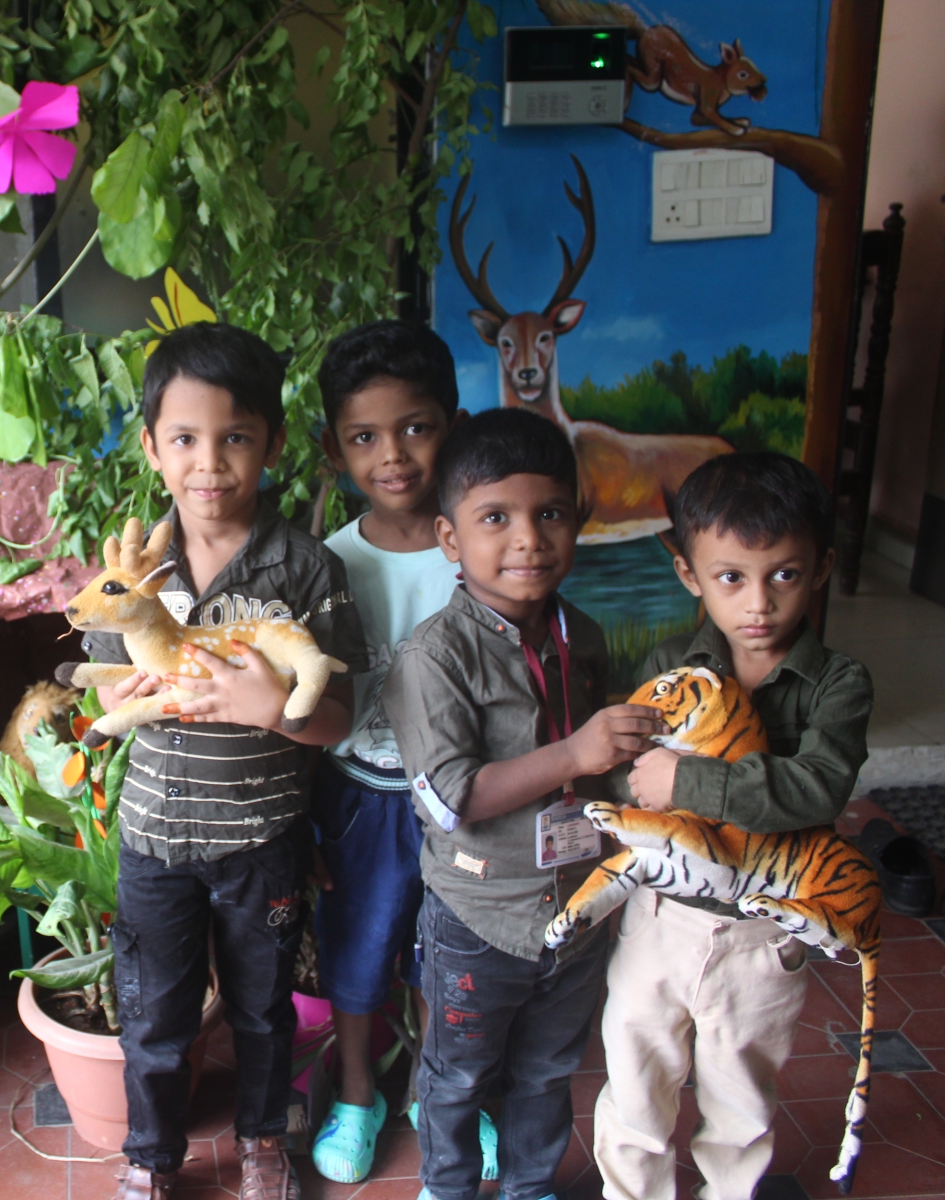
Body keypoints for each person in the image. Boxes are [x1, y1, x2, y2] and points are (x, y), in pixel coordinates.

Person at [80, 322, 368, 1200]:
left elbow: (343, 717)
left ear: (272, 445)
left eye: (235, 438)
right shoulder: (134, 573)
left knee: (263, 1006)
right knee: (153, 1011)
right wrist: (121, 691)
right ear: (152, 448)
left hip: (262, 842)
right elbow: (103, 690)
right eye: (185, 439)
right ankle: (151, 1155)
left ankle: (263, 1140)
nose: (209, 463)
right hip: (153, 841)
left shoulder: (307, 569)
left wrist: (273, 708)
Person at [383, 408, 664, 1200]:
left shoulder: (585, 636)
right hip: (481, 916)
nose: (529, 540)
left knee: (549, 1068)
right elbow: (453, 800)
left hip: (578, 906)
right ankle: (447, 1187)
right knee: (458, 1074)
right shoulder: (433, 658)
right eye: (496, 518)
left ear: (580, 520)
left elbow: (608, 768)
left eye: (551, 514)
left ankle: (530, 1186)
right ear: (449, 538)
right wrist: (575, 755)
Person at [592, 452, 873, 1200]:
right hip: (660, 918)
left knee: (741, 1105)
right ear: (689, 574)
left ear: (821, 568)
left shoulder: (837, 684)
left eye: (784, 574)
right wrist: (635, 788)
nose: (759, 602)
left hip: (762, 936)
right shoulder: (668, 662)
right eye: (731, 578)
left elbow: (817, 788)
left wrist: (689, 782)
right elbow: (628, 775)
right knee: (635, 1085)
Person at [304, 321, 479, 1185]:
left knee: (450, 958)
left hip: (467, 802)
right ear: (334, 450)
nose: (394, 456)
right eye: (365, 437)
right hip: (360, 799)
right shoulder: (327, 565)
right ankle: (355, 1093)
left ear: (455, 425)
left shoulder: (483, 552)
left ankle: (440, 1098)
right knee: (359, 953)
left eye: (416, 428)